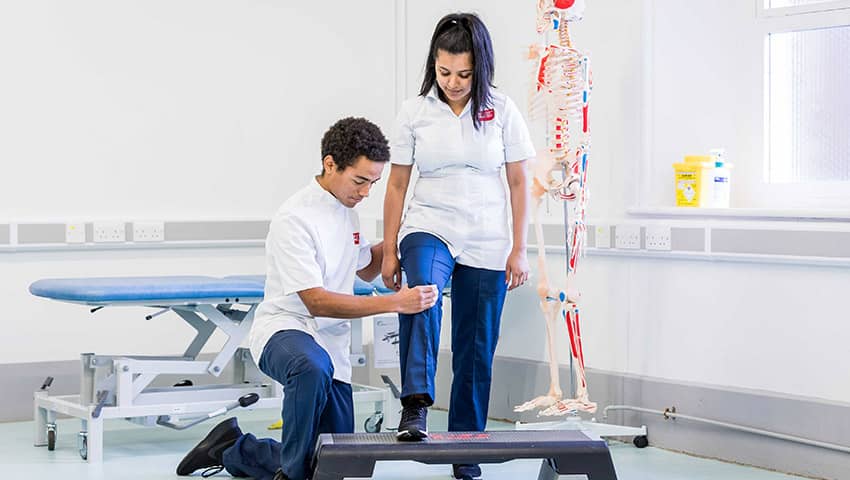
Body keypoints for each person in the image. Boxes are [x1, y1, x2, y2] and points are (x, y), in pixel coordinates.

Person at [176, 117, 438, 480]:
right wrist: (396, 303)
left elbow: (365, 268)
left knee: (337, 464)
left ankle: (234, 448)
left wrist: (408, 232)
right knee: (312, 367)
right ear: (330, 164)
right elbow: (317, 302)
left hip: (330, 346)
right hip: (285, 330)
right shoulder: (294, 218)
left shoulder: (348, 214)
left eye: (373, 183)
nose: (366, 192)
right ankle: (291, 476)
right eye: (359, 181)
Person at [381, 12, 535, 480]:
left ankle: (466, 449)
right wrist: (389, 249)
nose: (452, 82)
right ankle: (416, 404)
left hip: (487, 234)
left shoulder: (502, 110)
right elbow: (397, 184)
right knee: (422, 292)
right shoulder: (415, 112)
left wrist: (519, 248)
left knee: (476, 343)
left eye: (464, 74)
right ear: (434, 64)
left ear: (480, 68)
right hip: (429, 223)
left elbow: (519, 182)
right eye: (444, 71)